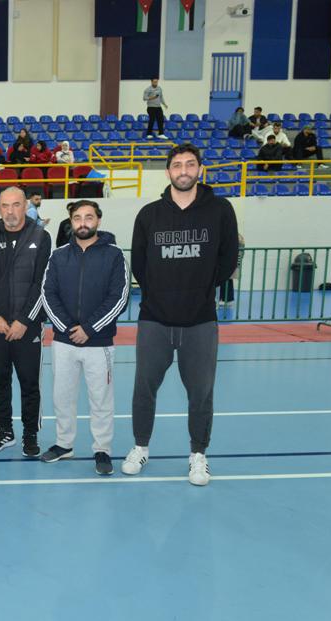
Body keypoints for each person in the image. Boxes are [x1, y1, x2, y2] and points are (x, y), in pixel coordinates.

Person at [123, 143, 239, 486]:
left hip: (200, 319)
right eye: (177, 165)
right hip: (154, 318)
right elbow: (140, 263)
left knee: (201, 392)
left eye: (190, 164)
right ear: (168, 171)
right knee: (144, 388)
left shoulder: (220, 210)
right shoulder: (149, 214)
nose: (183, 170)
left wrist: (200, 288)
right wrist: (162, 293)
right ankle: (140, 447)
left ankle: (198, 455)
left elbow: (228, 258)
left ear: (200, 169)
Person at [40, 200, 128, 476]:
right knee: (62, 396)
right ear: (71, 222)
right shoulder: (58, 256)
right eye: (77, 217)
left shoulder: (114, 255)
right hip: (64, 342)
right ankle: (64, 444)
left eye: (88, 217)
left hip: (99, 343)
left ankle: (102, 449)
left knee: (101, 399)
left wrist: (89, 329)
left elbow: (119, 296)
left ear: (98, 220)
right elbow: (48, 294)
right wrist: (68, 328)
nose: (83, 222)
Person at [0, 186, 51, 455]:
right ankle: (3, 431)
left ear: (25, 205)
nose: (10, 211)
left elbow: (42, 283)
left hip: (27, 327)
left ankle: (30, 434)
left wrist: (24, 321)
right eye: (5, 206)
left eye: (16, 205)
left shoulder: (41, 236)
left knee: (29, 382)